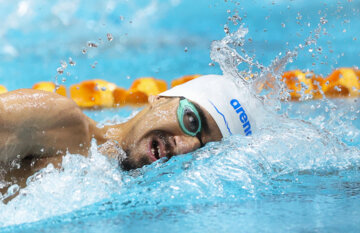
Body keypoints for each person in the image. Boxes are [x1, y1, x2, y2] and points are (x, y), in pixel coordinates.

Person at [0, 75, 257, 195]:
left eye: (205, 150)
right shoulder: (64, 125)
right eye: (191, 120)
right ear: (159, 99)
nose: (188, 146)